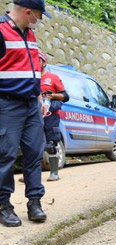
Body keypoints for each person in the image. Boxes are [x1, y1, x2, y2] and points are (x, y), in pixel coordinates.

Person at [0, 0, 52, 227]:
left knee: (33, 154)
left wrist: (39, 99)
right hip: (7, 105)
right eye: (38, 16)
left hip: (32, 105)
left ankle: (34, 202)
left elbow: (33, 72)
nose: (39, 21)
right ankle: (4, 206)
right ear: (28, 12)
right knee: (5, 156)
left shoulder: (29, 34)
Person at [38, 50, 68, 181]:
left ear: (44, 62)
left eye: (39, 60)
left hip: (51, 116)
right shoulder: (30, 78)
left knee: (51, 144)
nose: (36, 62)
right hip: (34, 116)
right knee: (32, 145)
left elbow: (65, 96)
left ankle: (54, 173)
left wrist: (53, 95)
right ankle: (31, 175)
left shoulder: (53, 77)